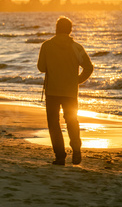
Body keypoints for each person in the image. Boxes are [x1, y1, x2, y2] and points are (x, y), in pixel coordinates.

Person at [37, 16, 93, 165]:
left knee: (54, 124)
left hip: (52, 91)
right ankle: (76, 149)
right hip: (70, 92)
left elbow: (41, 67)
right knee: (72, 121)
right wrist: (78, 80)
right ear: (70, 30)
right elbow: (89, 67)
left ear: (56, 29)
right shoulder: (77, 47)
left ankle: (60, 156)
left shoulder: (47, 46)